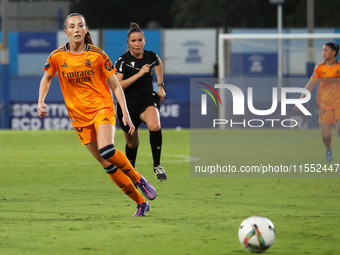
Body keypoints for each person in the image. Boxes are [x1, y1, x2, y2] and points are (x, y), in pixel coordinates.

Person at [38, 13, 156, 217]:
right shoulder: (57, 56)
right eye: (72, 26)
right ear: (66, 32)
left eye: (80, 26)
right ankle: (141, 203)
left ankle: (138, 179)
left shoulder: (97, 55)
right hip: (78, 117)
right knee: (107, 164)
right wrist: (41, 101)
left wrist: (125, 114)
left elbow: (116, 87)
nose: (76, 29)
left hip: (102, 108)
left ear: (85, 30)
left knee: (107, 150)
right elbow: (46, 78)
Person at [114, 23, 167, 181]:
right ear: (128, 43)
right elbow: (118, 86)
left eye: (139, 40)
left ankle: (157, 165)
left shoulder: (151, 56)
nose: (137, 43)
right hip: (128, 105)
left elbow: (158, 64)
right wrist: (139, 74)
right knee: (132, 144)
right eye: (133, 41)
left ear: (144, 41)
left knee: (155, 125)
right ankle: (131, 171)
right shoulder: (123, 61)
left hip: (147, 99)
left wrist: (160, 86)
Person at [294, 42, 340, 162]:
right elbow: (311, 84)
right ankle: (329, 148)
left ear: (334, 52)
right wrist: (301, 100)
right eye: (323, 50)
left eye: (326, 50)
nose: (323, 53)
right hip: (325, 104)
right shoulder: (320, 68)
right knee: (326, 137)